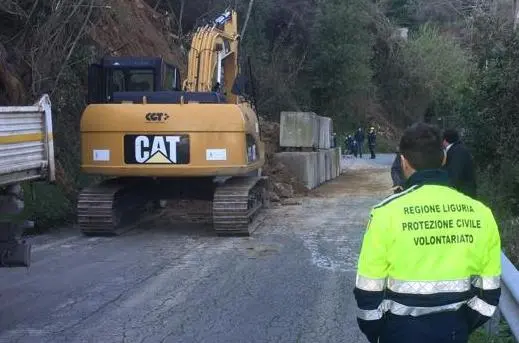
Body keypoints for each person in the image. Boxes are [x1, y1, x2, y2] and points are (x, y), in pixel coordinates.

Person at [353, 122, 501, 343]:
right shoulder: (481, 213)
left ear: (403, 162)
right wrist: (460, 326)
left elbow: (368, 291)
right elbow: (489, 294)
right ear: (443, 159)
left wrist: (381, 333)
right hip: (454, 330)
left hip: (399, 331)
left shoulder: (385, 213)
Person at [442, 129, 477, 198]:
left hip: (462, 194)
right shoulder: (460, 149)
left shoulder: (457, 152)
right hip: (465, 192)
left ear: (444, 140)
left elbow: (455, 173)